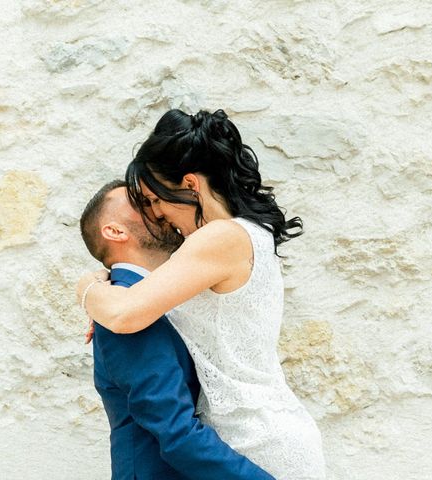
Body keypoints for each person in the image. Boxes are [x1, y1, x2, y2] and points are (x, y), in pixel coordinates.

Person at [77, 109, 326, 479]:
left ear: (191, 186)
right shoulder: (236, 236)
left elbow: (124, 314)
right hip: (249, 438)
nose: (158, 214)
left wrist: (87, 287)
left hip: (254, 444)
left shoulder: (220, 238)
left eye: (155, 199)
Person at [78, 179, 275, 480]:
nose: (157, 209)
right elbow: (176, 432)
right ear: (115, 231)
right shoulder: (123, 312)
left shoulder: (147, 299)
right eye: (143, 204)